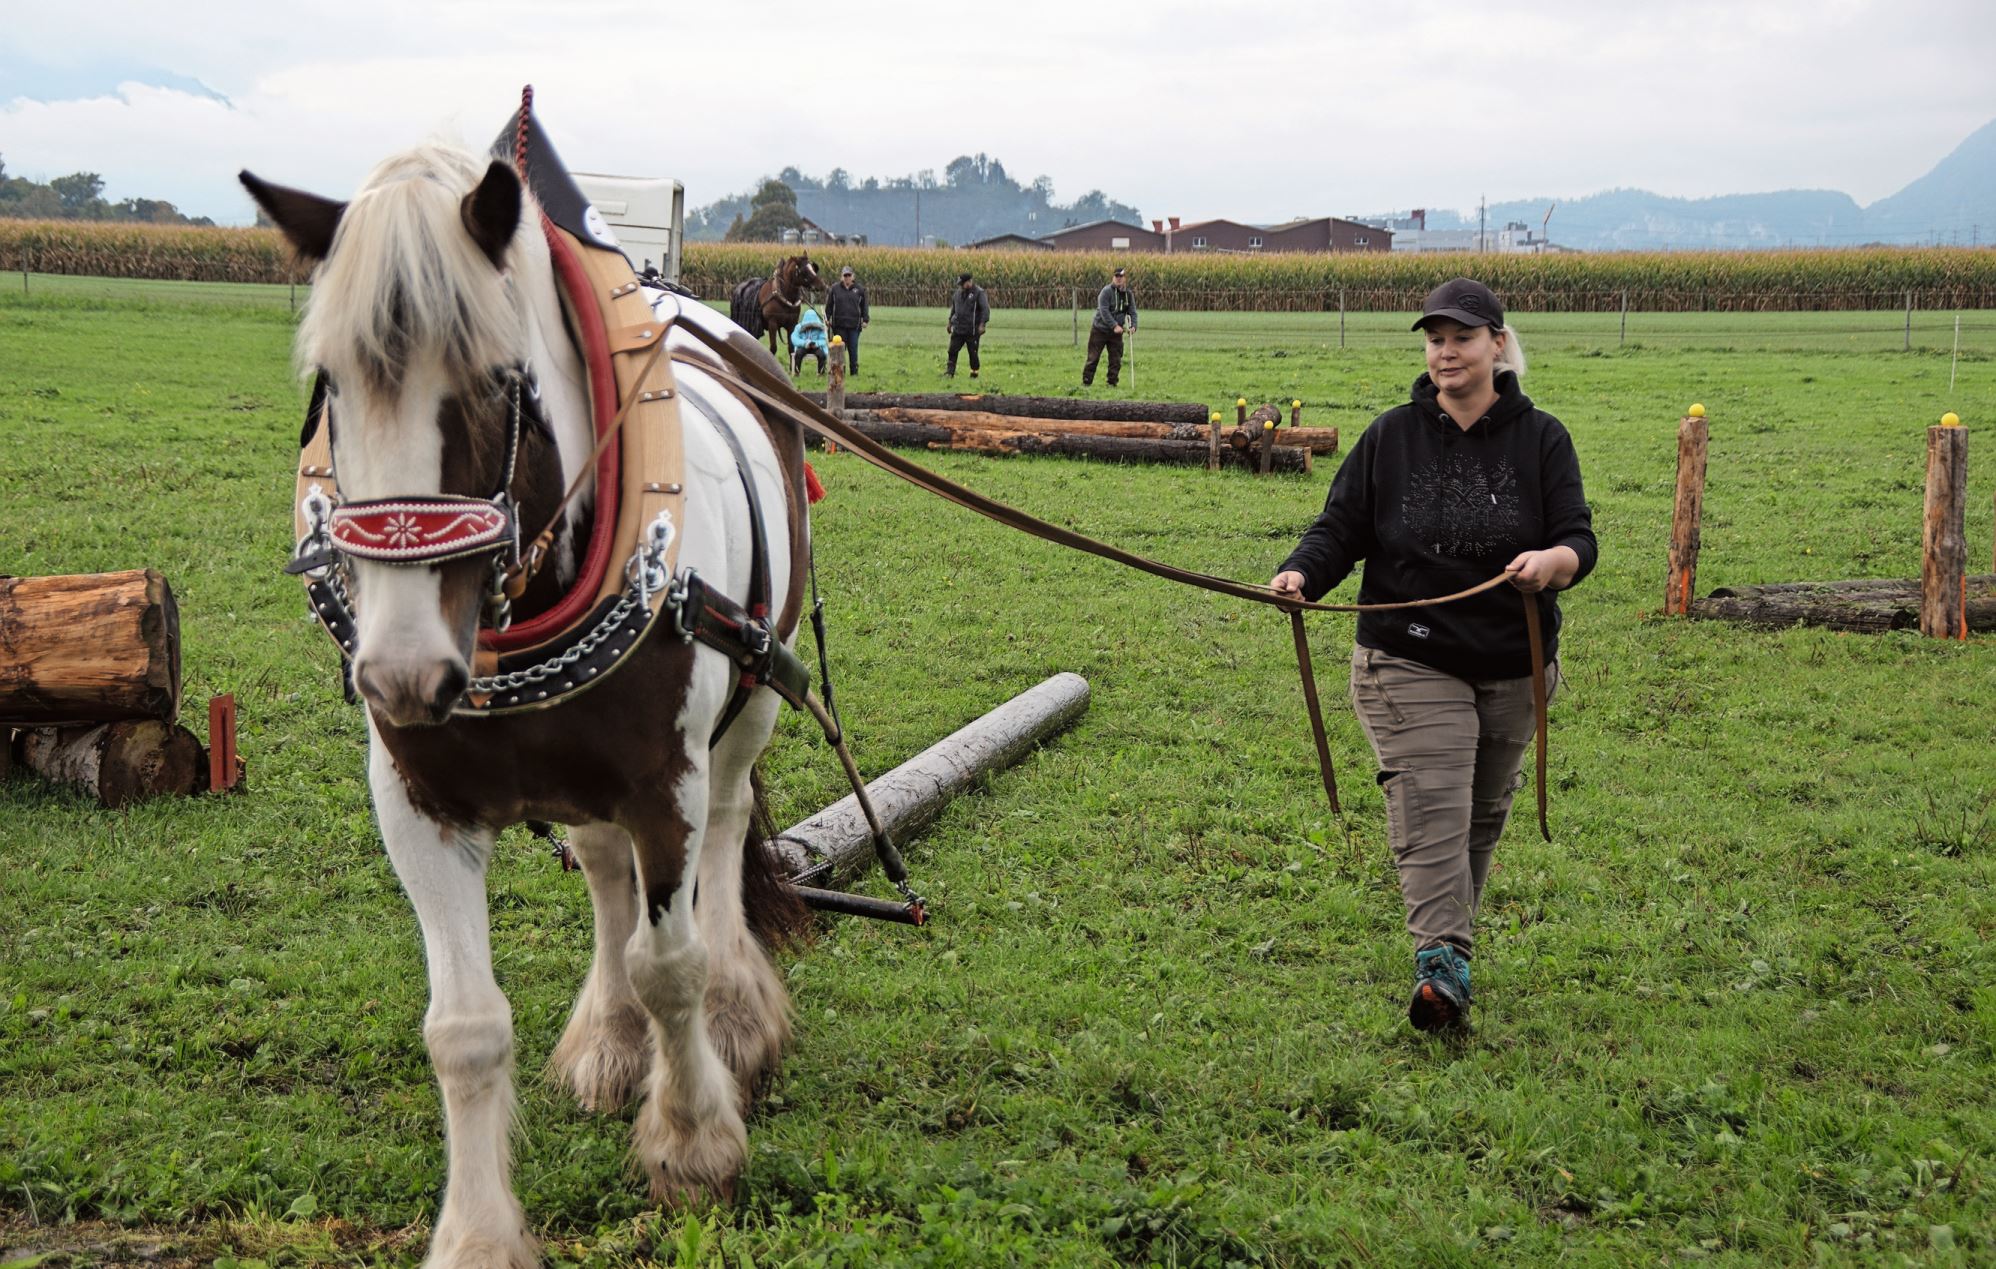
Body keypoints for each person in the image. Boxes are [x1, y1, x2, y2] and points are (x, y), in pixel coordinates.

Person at [1269, 277, 1596, 1034]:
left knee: (1479, 816)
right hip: (1407, 659)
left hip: (1515, 662)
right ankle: (1440, 960)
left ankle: (1451, 957)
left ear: (1497, 344)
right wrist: (1302, 573)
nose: (1446, 352)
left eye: (1462, 338)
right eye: (1435, 339)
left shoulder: (1542, 437)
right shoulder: (1392, 435)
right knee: (1434, 803)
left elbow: (1580, 536)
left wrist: (1554, 562)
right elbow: (1340, 528)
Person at [1082, 266, 1137, 387]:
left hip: (1116, 333)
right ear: (1113, 277)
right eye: (1116, 276)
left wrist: (1133, 325)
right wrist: (1114, 325)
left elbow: (1132, 311)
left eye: (1121, 277)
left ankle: (1112, 383)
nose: (1118, 279)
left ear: (1124, 279)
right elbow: (1104, 311)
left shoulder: (1128, 294)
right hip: (1100, 330)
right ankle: (1086, 382)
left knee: (1116, 359)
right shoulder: (1106, 292)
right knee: (1093, 357)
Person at [824, 265, 870, 374]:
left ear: (852, 276)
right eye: (845, 275)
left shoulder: (859, 290)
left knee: (853, 350)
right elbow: (829, 305)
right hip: (839, 326)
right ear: (841, 276)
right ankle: (839, 372)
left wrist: (865, 320)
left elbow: (864, 306)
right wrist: (827, 317)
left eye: (849, 275)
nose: (847, 278)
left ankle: (854, 372)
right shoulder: (835, 289)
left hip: (854, 326)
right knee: (839, 351)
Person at [945, 272, 989, 379]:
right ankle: (949, 373)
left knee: (973, 353)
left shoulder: (979, 293)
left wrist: (982, 324)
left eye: (962, 284)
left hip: (972, 330)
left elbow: (985, 310)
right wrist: (950, 322)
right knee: (952, 350)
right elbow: (954, 309)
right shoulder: (957, 294)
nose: (960, 286)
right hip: (958, 328)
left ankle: (974, 373)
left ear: (969, 282)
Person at [789, 304, 829, 375]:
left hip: (816, 347)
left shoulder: (820, 328)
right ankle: (796, 372)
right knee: (798, 353)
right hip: (803, 346)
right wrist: (805, 343)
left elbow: (824, 340)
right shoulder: (799, 327)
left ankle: (821, 373)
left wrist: (816, 344)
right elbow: (794, 338)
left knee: (822, 355)